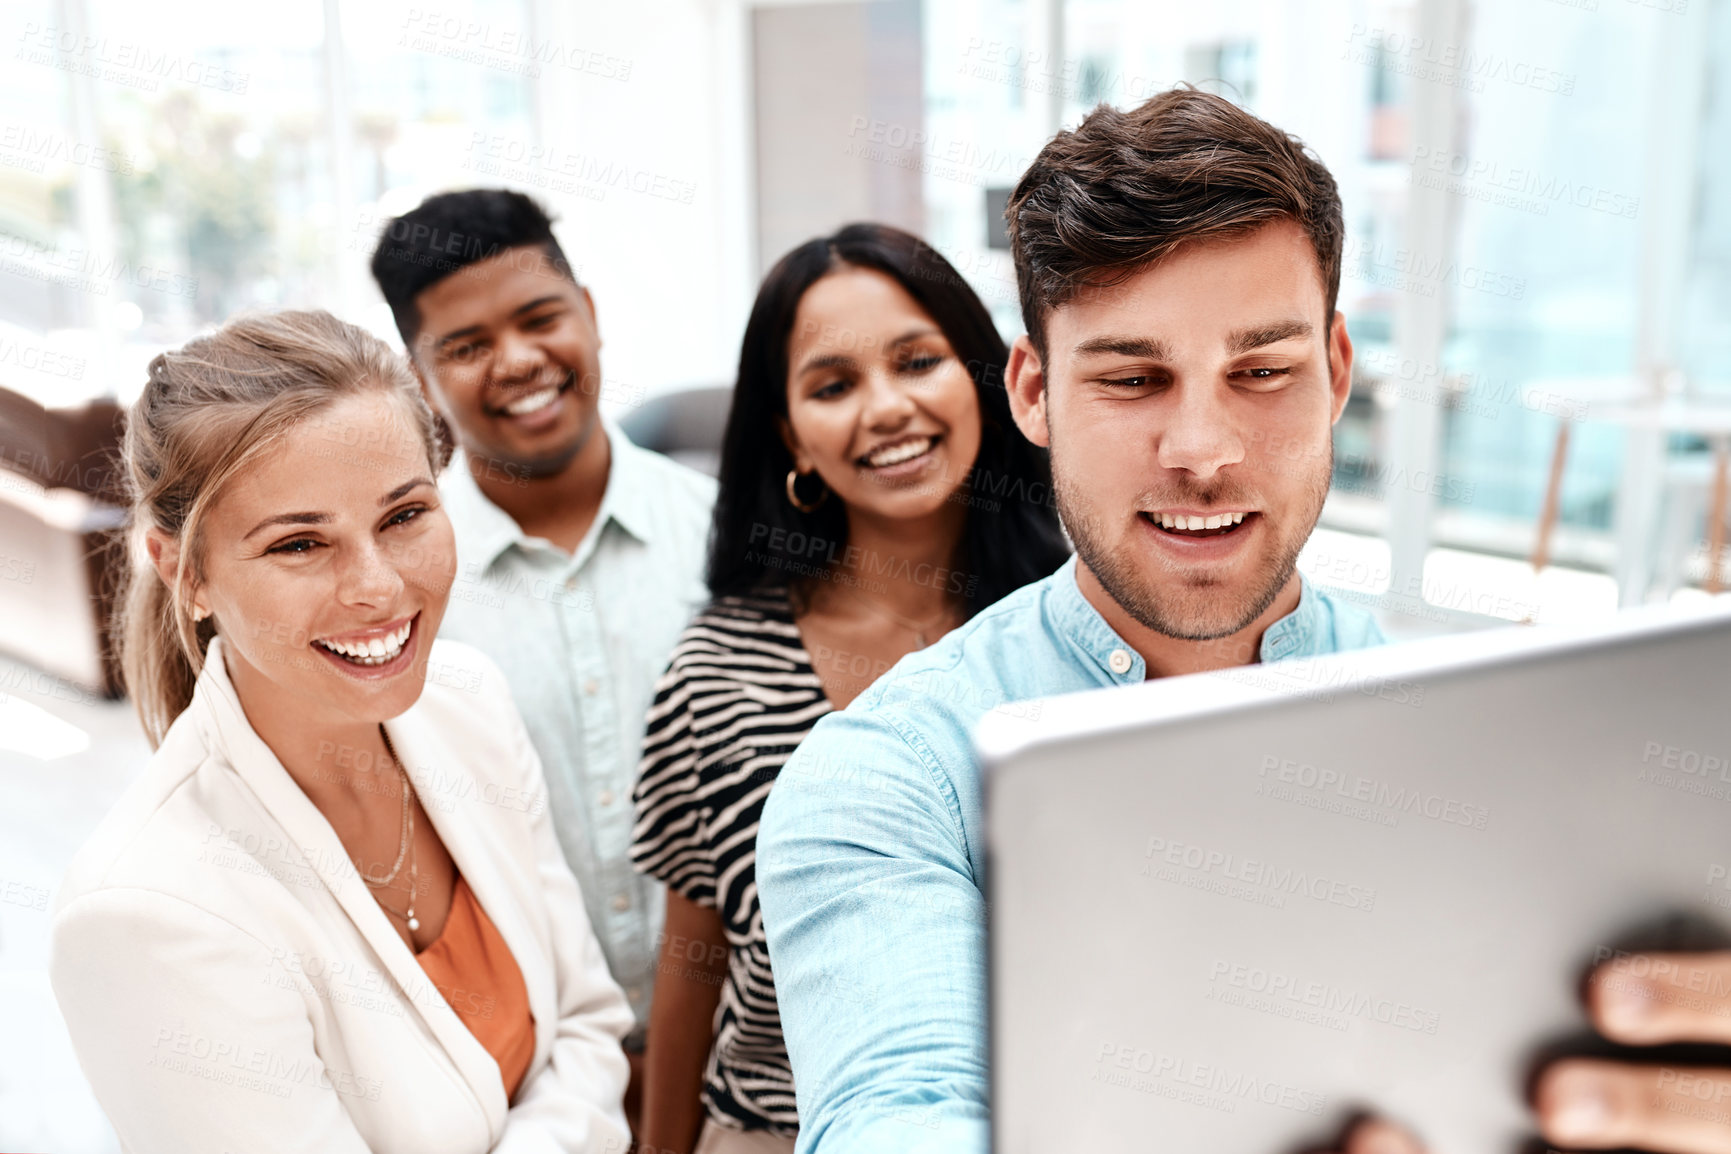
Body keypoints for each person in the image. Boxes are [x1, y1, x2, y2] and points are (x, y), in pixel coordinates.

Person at [50, 311, 633, 1152]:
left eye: (403, 517)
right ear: (186, 570)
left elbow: (583, 1023)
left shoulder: (469, 704)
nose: (378, 586)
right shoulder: (146, 911)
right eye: (299, 544)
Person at [628, 223, 1070, 1154]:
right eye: (833, 385)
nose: (886, 408)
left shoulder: (1083, 636)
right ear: (789, 434)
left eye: (917, 362)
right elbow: (692, 966)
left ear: (988, 381)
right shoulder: (716, 671)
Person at [369, 190, 718, 1102]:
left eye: (538, 318)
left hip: (744, 1063)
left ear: (589, 315)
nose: (519, 361)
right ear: (421, 377)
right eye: (468, 345)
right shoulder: (395, 600)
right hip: (529, 1084)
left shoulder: (727, 543)